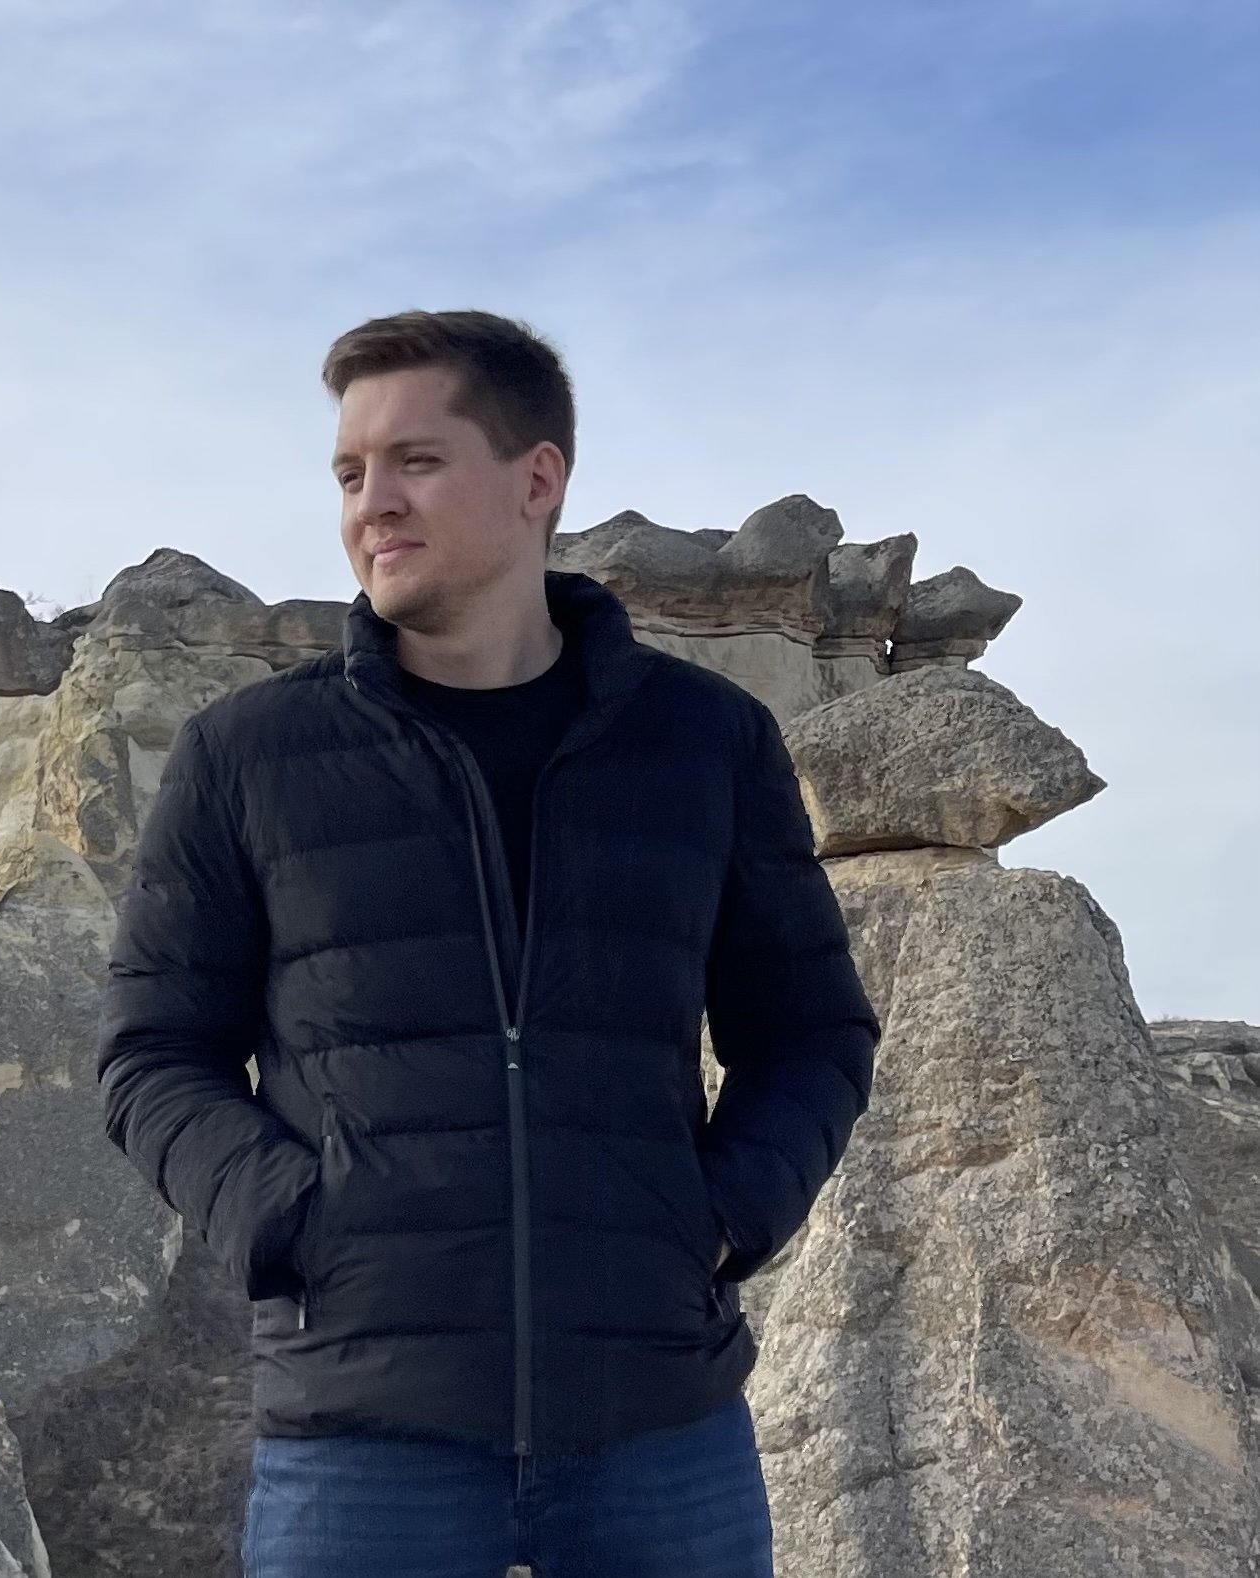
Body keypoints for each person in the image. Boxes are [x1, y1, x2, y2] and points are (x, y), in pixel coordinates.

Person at [97, 308, 881, 1577]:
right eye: (350, 473)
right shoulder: (248, 756)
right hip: (362, 1435)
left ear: (537, 478)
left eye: (415, 460)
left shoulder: (706, 742)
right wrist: (294, 1221)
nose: (371, 503)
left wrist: (718, 1218)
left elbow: (811, 1032)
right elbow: (152, 1055)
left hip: (659, 1426)